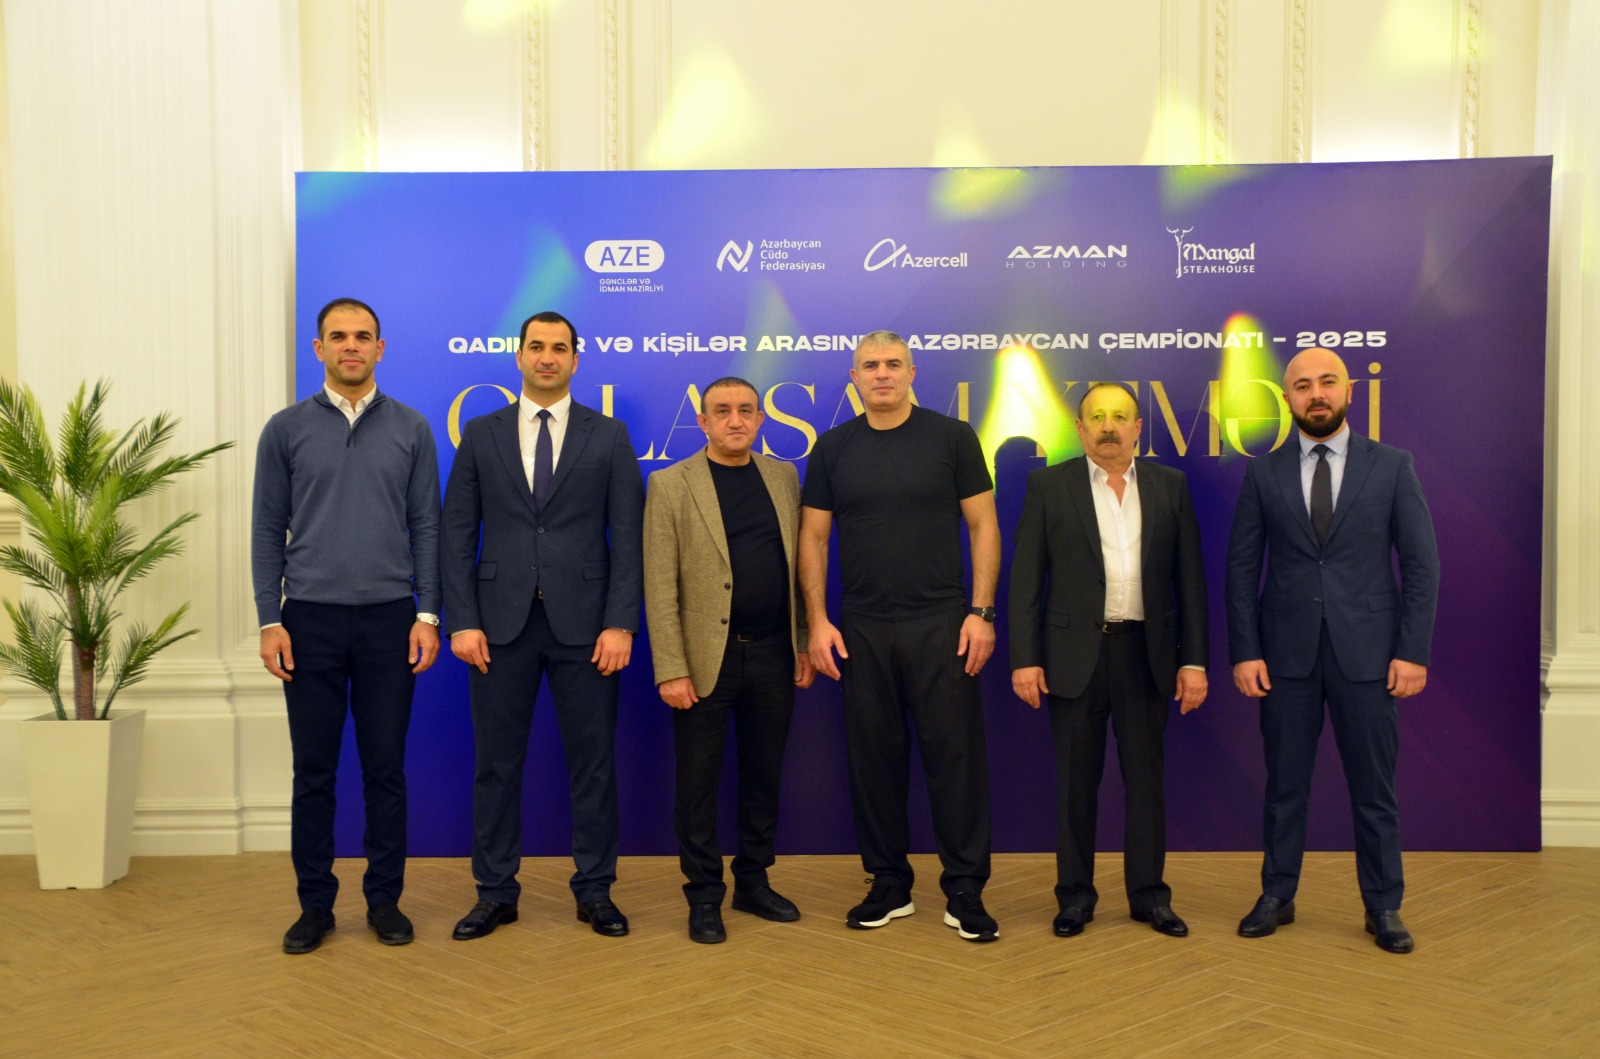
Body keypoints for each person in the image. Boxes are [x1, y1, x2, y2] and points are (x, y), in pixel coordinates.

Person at [1226, 346, 1439, 954]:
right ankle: (1277, 895)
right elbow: (1241, 570)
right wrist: (1245, 651)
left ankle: (1384, 905)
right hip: (1284, 657)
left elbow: (1421, 566)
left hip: (1370, 658)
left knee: (1374, 789)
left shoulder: (1392, 466)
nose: (1315, 394)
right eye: (1302, 385)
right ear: (1287, 398)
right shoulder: (1263, 474)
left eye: (1327, 382)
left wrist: (1412, 652)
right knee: (1284, 786)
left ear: (1348, 391)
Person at [440, 310, 644, 940]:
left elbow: (629, 537)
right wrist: (461, 621)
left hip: (588, 629)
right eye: (537, 346)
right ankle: (495, 893)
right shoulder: (482, 433)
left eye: (559, 348)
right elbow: (455, 533)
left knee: (593, 765)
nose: (547, 357)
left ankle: (595, 891)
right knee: (496, 766)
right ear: (519, 356)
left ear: (576, 360)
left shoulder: (608, 436)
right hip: (497, 628)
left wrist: (621, 622)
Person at [798, 330, 1002, 943]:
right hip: (861, 627)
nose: (882, 374)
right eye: (870, 366)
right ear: (854, 377)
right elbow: (813, 537)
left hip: (943, 623)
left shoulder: (952, 437)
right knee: (874, 762)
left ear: (912, 372)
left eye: (893, 364)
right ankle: (888, 884)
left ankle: (965, 890)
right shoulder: (833, 448)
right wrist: (817, 620)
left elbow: (983, 525)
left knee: (956, 761)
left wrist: (982, 612)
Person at [252, 297, 442, 954]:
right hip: (308, 620)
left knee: (385, 769)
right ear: (319, 348)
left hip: (391, 619)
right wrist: (269, 619)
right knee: (314, 771)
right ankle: (315, 905)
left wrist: (427, 613)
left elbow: (427, 526)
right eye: (338, 336)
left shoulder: (412, 427)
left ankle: (384, 901)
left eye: (363, 336)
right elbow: (266, 528)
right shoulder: (285, 429)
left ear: (380, 348)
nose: (351, 346)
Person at [1009, 382, 1209, 938]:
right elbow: (1026, 579)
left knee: (1146, 784)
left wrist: (1194, 661)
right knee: (1076, 786)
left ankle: (1149, 897)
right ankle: (1075, 897)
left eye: (1120, 417)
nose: (1108, 427)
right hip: (1074, 657)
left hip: (1147, 655)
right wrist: (1024, 659)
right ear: (1080, 429)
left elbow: (1190, 581)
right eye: (1096, 417)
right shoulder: (1049, 486)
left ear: (1138, 428)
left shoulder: (1170, 486)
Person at [643, 377, 815, 944]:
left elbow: (798, 569)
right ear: (703, 422)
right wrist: (671, 666)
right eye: (722, 411)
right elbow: (659, 583)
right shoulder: (670, 484)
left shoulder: (783, 478)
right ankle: (703, 895)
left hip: (773, 653)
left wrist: (801, 641)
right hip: (702, 660)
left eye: (746, 410)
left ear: (760, 420)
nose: (735, 420)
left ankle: (754, 882)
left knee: (763, 775)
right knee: (698, 783)